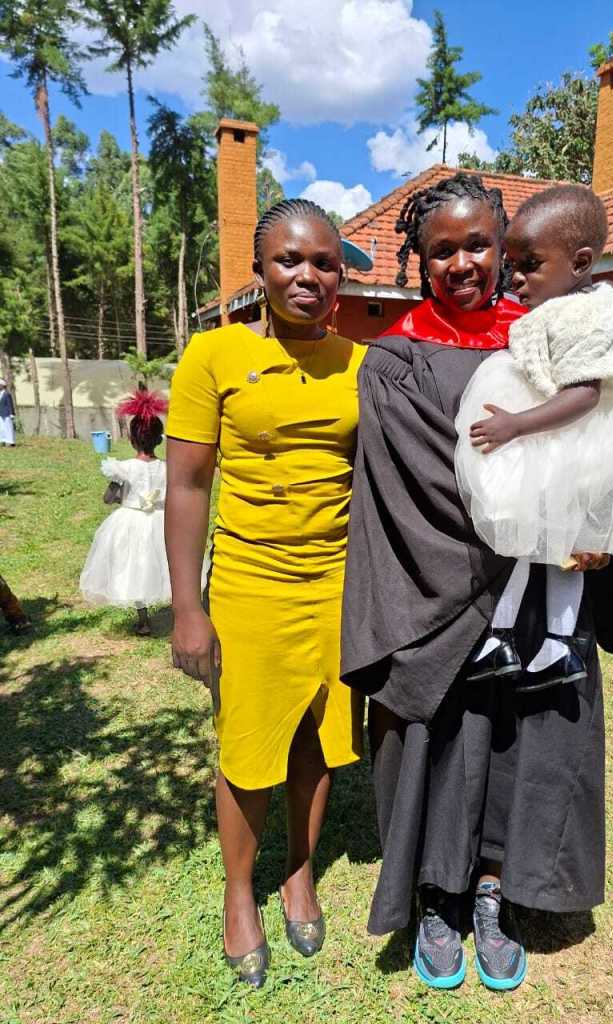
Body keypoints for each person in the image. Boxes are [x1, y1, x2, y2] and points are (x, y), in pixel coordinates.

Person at [341, 173, 613, 993]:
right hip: (441, 595)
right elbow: (412, 489)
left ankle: (494, 889)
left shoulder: (555, 329)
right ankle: (437, 897)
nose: (463, 264)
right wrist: (529, 537)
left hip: (546, 588)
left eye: (478, 244)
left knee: (529, 744)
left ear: (504, 244)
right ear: (418, 260)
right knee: (442, 741)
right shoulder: (396, 357)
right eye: (441, 250)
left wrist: (601, 528)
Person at [164, 199, 365, 989]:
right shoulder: (214, 355)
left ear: (341, 273)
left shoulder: (359, 363)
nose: (307, 275)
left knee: (318, 738)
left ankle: (299, 872)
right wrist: (189, 608)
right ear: (259, 271)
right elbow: (187, 486)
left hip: (337, 584)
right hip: (250, 582)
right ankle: (239, 892)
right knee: (249, 749)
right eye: (289, 260)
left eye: (323, 262)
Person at [454, 185, 613, 691]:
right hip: (560, 442)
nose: (516, 278)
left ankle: (529, 639)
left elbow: (584, 394)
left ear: (580, 263)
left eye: (530, 265)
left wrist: (515, 425)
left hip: (574, 443)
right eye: (513, 266)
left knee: (541, 544)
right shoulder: (569, 305)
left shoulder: (584, 314)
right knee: (550, 546)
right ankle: (547, 643)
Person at [79, 389, 171, 636]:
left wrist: (120, 493)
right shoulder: (167, 468)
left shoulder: (123, 468)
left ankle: (144, 621)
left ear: (131, 439)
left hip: (130, 520)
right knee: (165, 562)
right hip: (161, 521)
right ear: (159, 440)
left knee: (134, 565)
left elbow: (108, 498)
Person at [0, 379, 16, 447]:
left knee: (8, 428)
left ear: (2, 386)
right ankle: (3, 440)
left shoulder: (7, 394)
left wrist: (11, 414)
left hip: (7, 414)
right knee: (2, 429)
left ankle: (10, 442)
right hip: (1, 414)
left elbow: (10, 404)